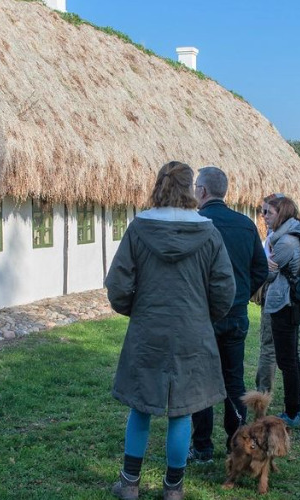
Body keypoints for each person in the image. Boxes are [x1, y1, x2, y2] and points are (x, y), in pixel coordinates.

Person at [106, 161, 235, 500]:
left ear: (159, 186)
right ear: (193, 189)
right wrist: (203, 317)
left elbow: (118, 285)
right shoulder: (208, 232)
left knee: (141, 406)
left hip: (148, 330)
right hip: (192, 332)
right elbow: (224, 288)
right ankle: (173, 490)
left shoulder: (139, 228)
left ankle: (130, 484)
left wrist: (138, 311)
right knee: (183, 411)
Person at [188, 166, 268, 463]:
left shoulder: (197, 223)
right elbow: (260, 268)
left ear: (203, 191)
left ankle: (202, 446)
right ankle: (237, 442)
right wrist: (242, 293)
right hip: (235, 313)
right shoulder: (245, 224)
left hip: (203, 313)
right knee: (233, 380)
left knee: (203, 381)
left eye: (196, 187)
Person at [255, 194, 300, 408]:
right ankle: (299, 396)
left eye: (268, 212)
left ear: (282, 214)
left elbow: (267, 273)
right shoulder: (285, 235)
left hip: (281, 302)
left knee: (275, 350)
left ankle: (266, 395)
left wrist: (262, 264)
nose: (263, 216)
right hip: (288, 300)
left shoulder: (285, 241)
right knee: (292, 350)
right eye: (262, 211)